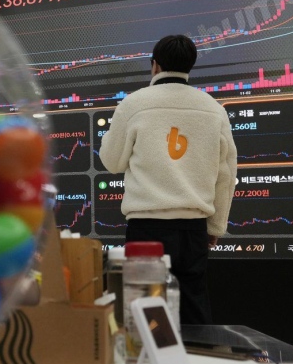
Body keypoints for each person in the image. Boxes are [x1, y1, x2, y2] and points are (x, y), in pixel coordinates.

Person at [98, 34, 237, 325]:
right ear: (190, 66)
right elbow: (226, 174)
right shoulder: (213, 108)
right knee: (193, 311)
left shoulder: (134, 104)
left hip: (146, 227)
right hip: (193, 230)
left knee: (143, 316)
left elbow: (112, 162)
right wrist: (215, 226)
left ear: (154, 66)